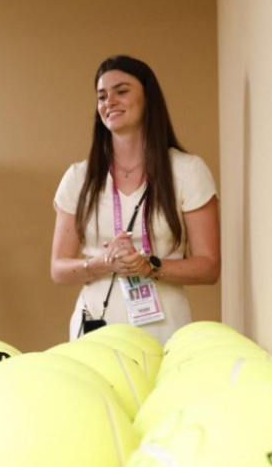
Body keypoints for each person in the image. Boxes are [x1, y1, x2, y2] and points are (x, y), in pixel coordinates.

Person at [50, 55, 220, 346]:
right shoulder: (78, 177)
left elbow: (209, 267)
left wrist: (148, 266)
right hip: (94, 331)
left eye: (122, 91)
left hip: (164, 330)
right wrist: (103, 263)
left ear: (148, 99)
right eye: (102, 96)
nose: (110, 101)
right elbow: (58, 269)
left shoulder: (187, 170)